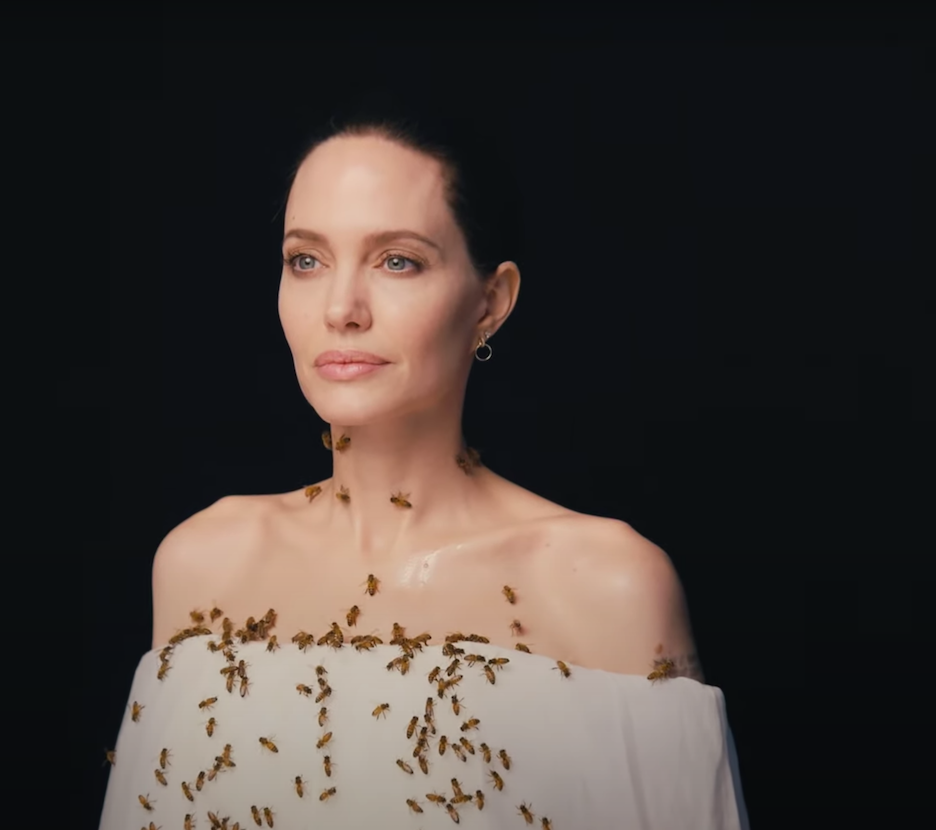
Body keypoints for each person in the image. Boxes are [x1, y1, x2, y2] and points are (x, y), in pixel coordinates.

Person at [99, 94, 749, 829]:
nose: (341, 308)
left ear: (490, 302)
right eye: (305, 260)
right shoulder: (205, 565)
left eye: (398, 261)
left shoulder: (606, 586)